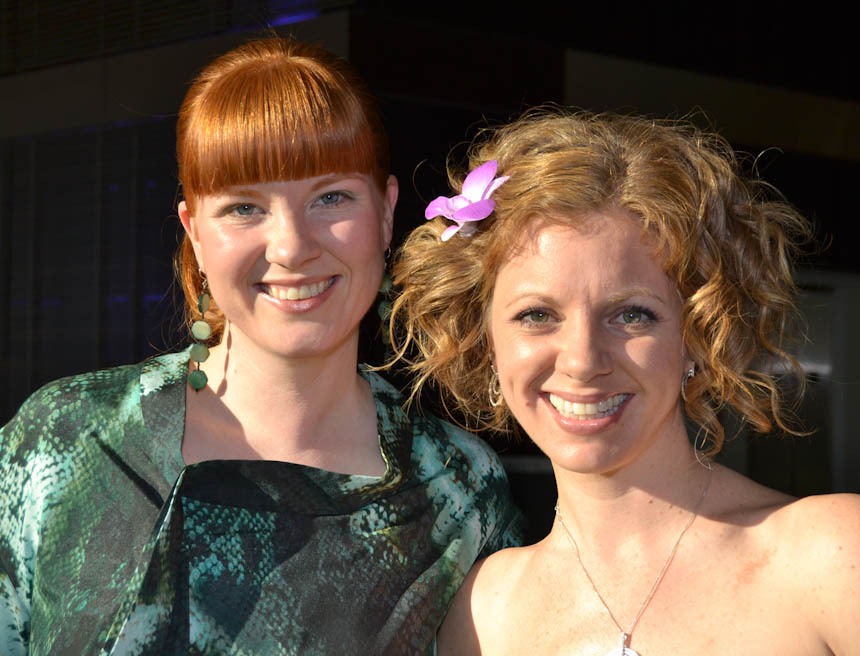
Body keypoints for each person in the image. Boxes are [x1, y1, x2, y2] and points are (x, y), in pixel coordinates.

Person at [0, 38, 521, 655]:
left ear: (385, 213)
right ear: (194, 232)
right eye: (244, 207)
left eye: (331, 198)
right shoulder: (67, 438)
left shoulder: (457, 490)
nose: (291, 246)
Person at [390, 109, 860, 654]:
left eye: (632, 314)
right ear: (484, 342)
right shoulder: (479, 615)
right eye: (537, 315)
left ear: (698, 335)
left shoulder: (838, 557)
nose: (582, 360)